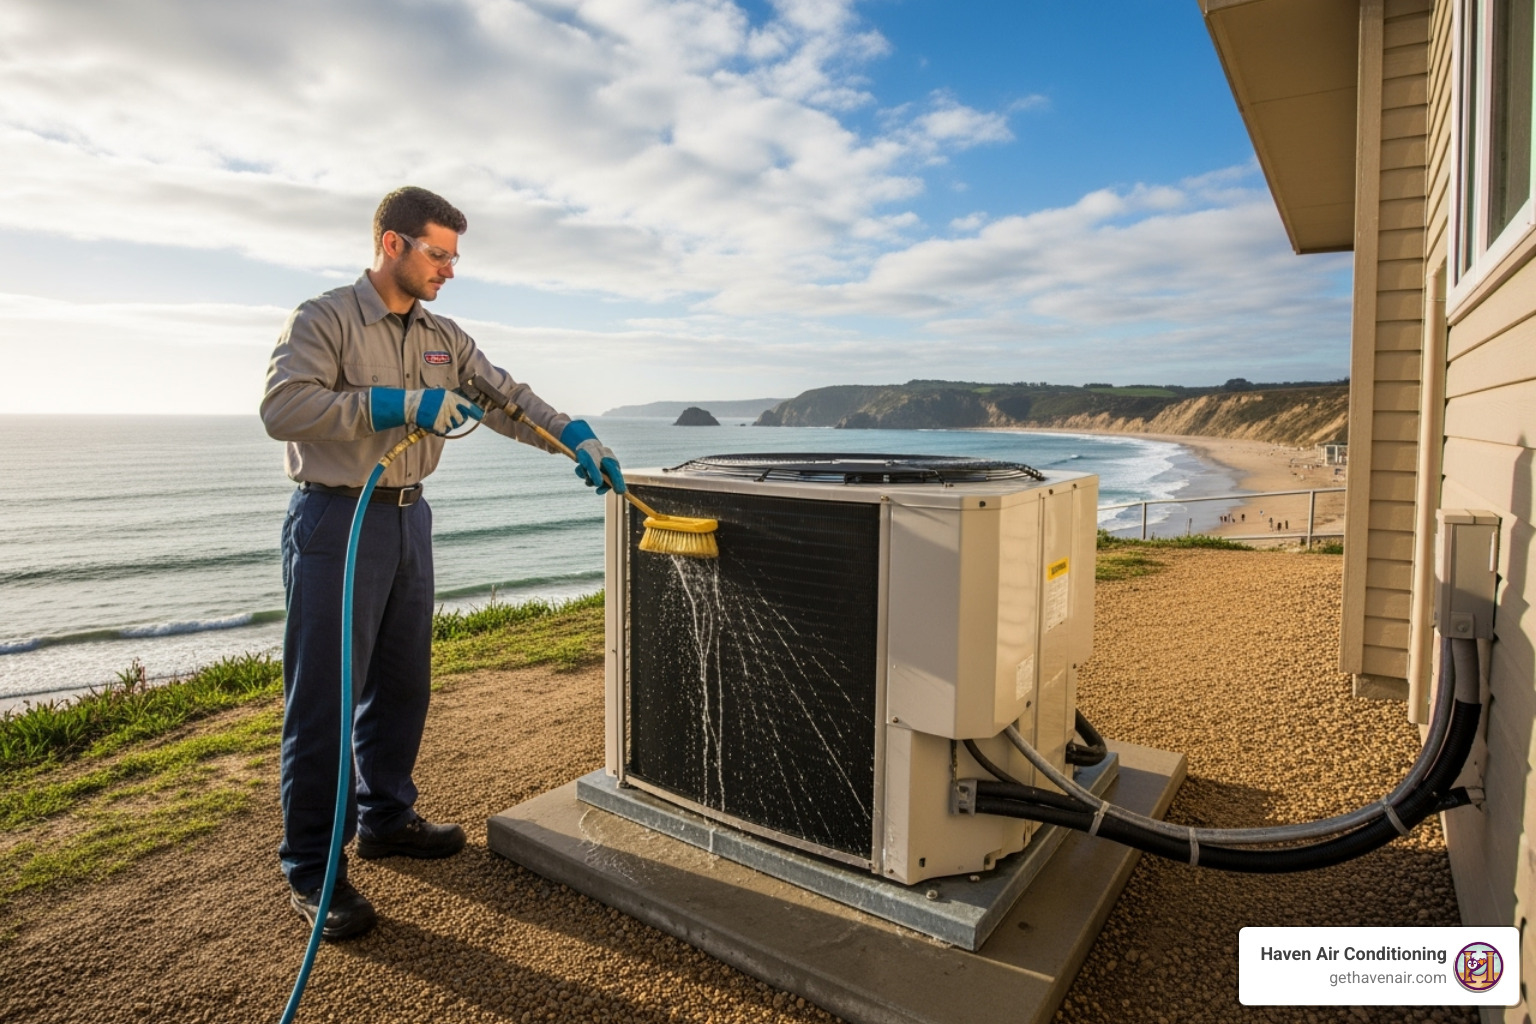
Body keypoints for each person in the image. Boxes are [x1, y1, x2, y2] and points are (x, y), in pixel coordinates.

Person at [260, 187, 625, 941]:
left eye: (455, 257)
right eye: (438, 253)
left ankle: (386, 819)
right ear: (392, 245)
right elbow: (283, 409)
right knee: (325, 698)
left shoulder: (444, 337)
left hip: (407, 518)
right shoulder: (323, 318)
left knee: (402, 685)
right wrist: (396, 405)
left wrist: (577, 440)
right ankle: (313, 871)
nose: (450, 269)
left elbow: (506, 400)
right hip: (336, 519)